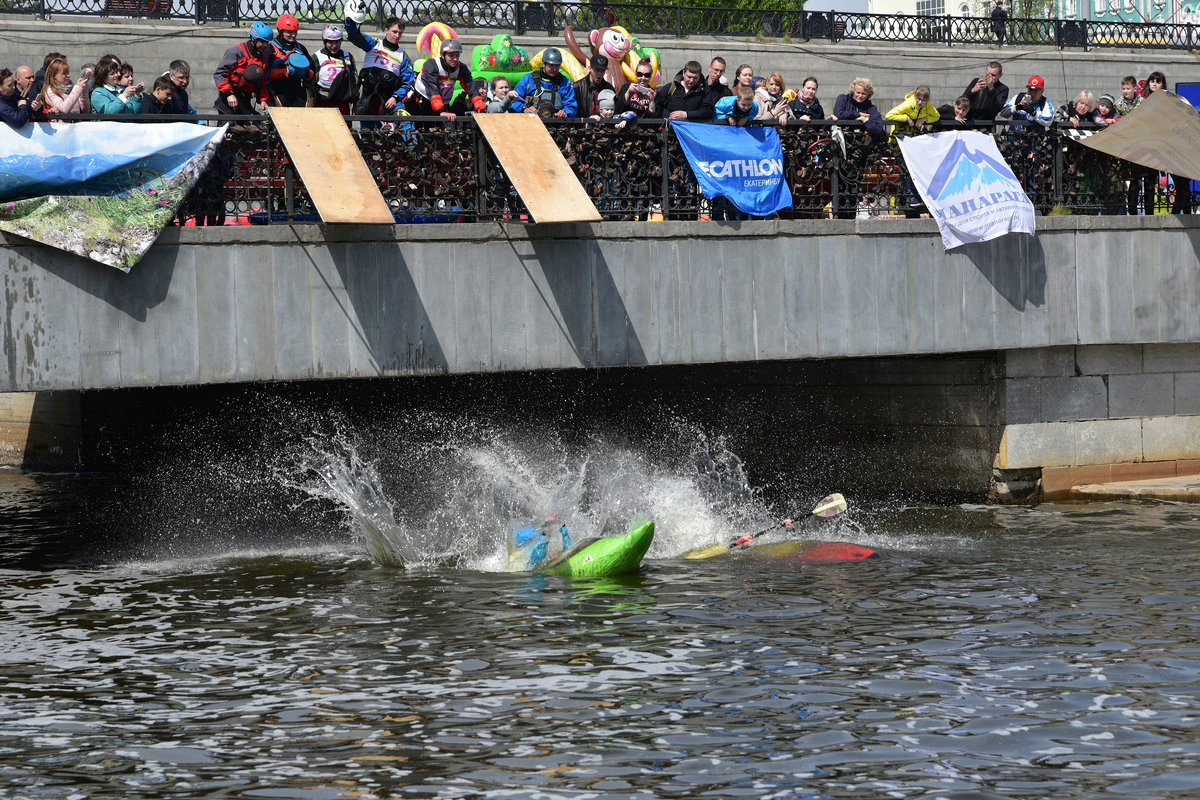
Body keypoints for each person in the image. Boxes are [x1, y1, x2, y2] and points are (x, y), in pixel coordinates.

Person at [345, 14, 414, 118]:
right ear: (386, 30)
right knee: (368, 133)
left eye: (400, 33)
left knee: (406, 121)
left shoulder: (403, 56)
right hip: (368, 99)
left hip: (390, 100)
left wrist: (395, 97)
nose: (397, 36)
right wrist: (350, 21)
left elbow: (407, 83)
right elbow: (355, 35)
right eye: (394, 32)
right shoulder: (373, 44)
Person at [1143, 71, 1189, 214]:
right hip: (1150, 147)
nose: (1155, 83)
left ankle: (1182, 210)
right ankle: (1149, 213)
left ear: (1163, 84)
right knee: (1149, 181)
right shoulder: (1144, 102)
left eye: (1158, 81)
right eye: (1152, 81)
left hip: (1169, 146)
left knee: (1180, 180)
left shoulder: (1169, 100)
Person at [407, 38, 486, 120]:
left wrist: (481, 111)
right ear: (442, 55)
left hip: (442, 105)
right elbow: (434, 90)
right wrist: (441, 111)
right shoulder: (431, 64)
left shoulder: (461, 68)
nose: (455, 59)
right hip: (420, 103)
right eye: (451, 55)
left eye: (457, 55)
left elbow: (472, 90)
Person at [214, 21, 273, 114]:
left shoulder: (263, 58)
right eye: (262, 41)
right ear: (253, 38)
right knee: (232, 127)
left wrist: (263, 100)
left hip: (245, 99)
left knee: (256, 126)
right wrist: (229, 94)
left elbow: (264, 83)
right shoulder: (236, 52)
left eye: (267, 42)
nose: (265, 45)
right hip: (228, 98)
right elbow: (220, 74)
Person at [511, 47, 576, 117]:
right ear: (544, 64)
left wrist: (565, 112)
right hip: (531, 121)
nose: (554, 69)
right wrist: (524, 109)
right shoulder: (528, 79)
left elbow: (572, 106)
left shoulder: (565, 83)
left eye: (557, 66)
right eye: (551, 65)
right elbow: (514, 102)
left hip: (556, 123)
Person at [268, 14, 315, 107]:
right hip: (278, 91)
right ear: (280, 31)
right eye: (289, 32)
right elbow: (265, 73)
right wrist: (284, 71)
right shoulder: (270, 48)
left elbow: (312, 68)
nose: (293, 35)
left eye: (295, 32)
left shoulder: (300, 48)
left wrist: (307, 73)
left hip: (297, 93)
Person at [312, 25, 358, 115]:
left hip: (342, 100)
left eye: (337, 42)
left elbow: (354, 80)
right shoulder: (317, 56)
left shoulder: (347, 56)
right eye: (330, 42)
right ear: (325, 42)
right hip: (323, 99)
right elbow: (310, 81)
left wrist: (355, 103)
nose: (334, 46)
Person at [614, 56, 659, 124]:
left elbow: (653, 121)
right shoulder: (626, 87)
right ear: (635, 74)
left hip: (644, 131)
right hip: (626, 128)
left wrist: (651, 101)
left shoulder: (654, 93)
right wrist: (628, 93)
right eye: (639, 74)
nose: (643, 78)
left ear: (651, 76)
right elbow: (618, 110)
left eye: (647, 75)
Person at [573, 54, 614, 119]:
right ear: (590, 69)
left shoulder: (609, 88)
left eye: (602, 70)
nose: (599, 73)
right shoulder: (577, 87)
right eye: (597, 70)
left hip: (604, 127)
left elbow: (614, 111)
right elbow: (573, 111)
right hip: (583, 127)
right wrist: (588, 120)